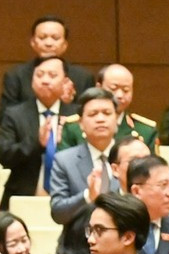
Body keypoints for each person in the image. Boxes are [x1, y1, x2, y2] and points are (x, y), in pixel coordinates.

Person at [0, 56, 72, 199]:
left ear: (65, 82)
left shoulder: (76, 115)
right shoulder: (15, 114)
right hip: (23, 195)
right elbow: (3, 156)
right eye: (39, 75)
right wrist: (36, 142)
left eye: (52, 75)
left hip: (68, 198)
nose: (45, 80)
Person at [48, 87, 124, 223]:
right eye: (93, 114)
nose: (100, 119)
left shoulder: (130, 156)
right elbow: (58, 213)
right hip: (78, 241)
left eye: (107, 113)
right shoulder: (64, 160)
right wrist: (88, 196)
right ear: (81, 123)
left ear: (117, 120)